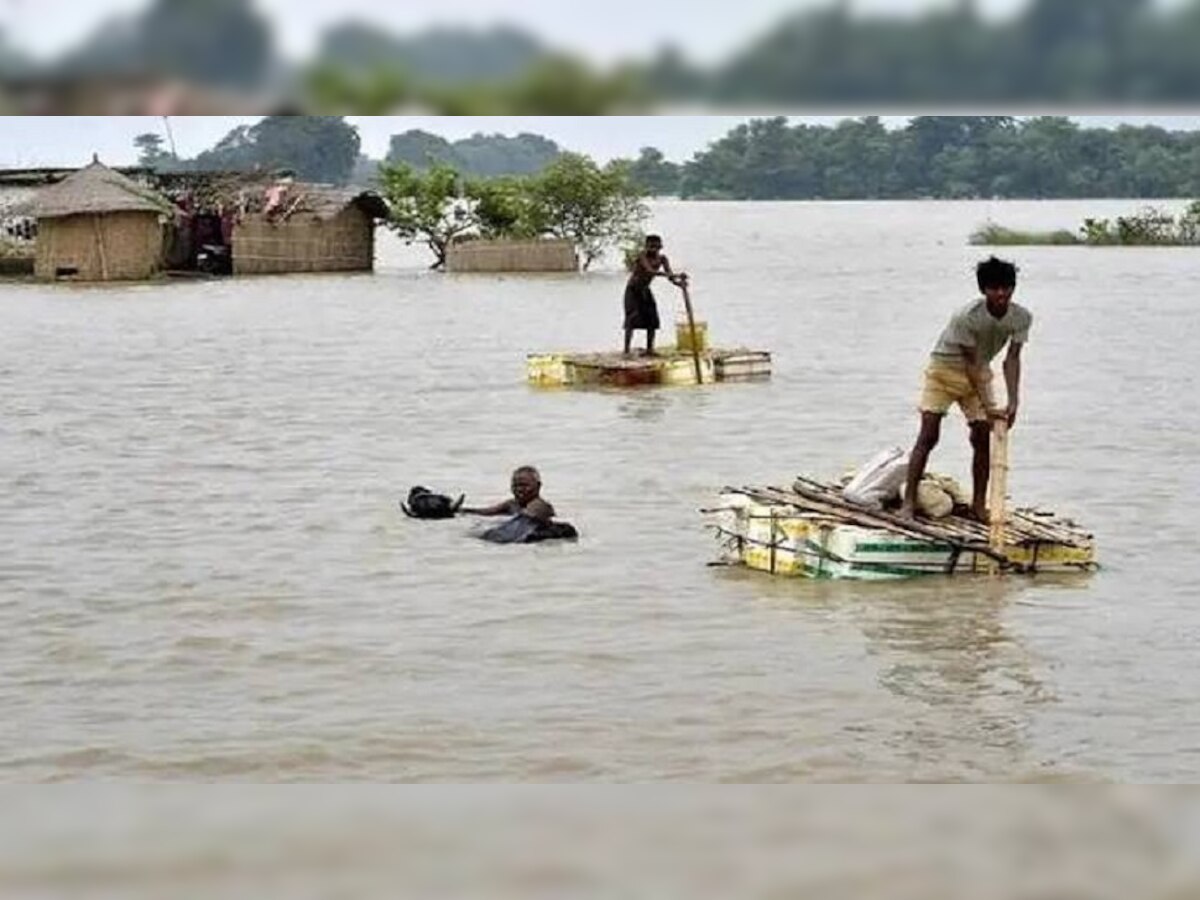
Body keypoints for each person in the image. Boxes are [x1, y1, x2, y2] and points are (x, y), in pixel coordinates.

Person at [900, 256, 1032, 522]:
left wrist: (1014, 401)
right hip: (943, 371)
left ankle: (978, 506)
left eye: (1007, 288)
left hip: (978, 373)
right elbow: (970, 364)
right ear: (984, 290)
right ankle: (908, 504)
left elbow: (1012, 359)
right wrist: (989, 405)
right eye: (995, 288)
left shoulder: (1020, 317)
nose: (1001, 294)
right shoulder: (967, 317)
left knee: (982, 436)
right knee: (928, 435)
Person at [624, 234, 687, 357]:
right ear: (646, 247)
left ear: (660, 247)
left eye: (656, 247)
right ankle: (626, 350)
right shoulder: (642, 256)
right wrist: (675, 275)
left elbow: (670, 277)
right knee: (632, 319)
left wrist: (679, 284)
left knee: (652, 319)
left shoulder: (663, 259)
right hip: (633, 290)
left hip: (645, 290)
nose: (653, 250)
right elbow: (649, 271)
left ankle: (650, 349)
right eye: (651, 247)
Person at [461, 466, 556, 523]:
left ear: (538, 486)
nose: (519, 490)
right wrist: (462, 510)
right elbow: (485, 512)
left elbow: (526, 518)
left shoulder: (540, 505)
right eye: (515, 486)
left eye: (524, 485)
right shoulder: (512, 504)